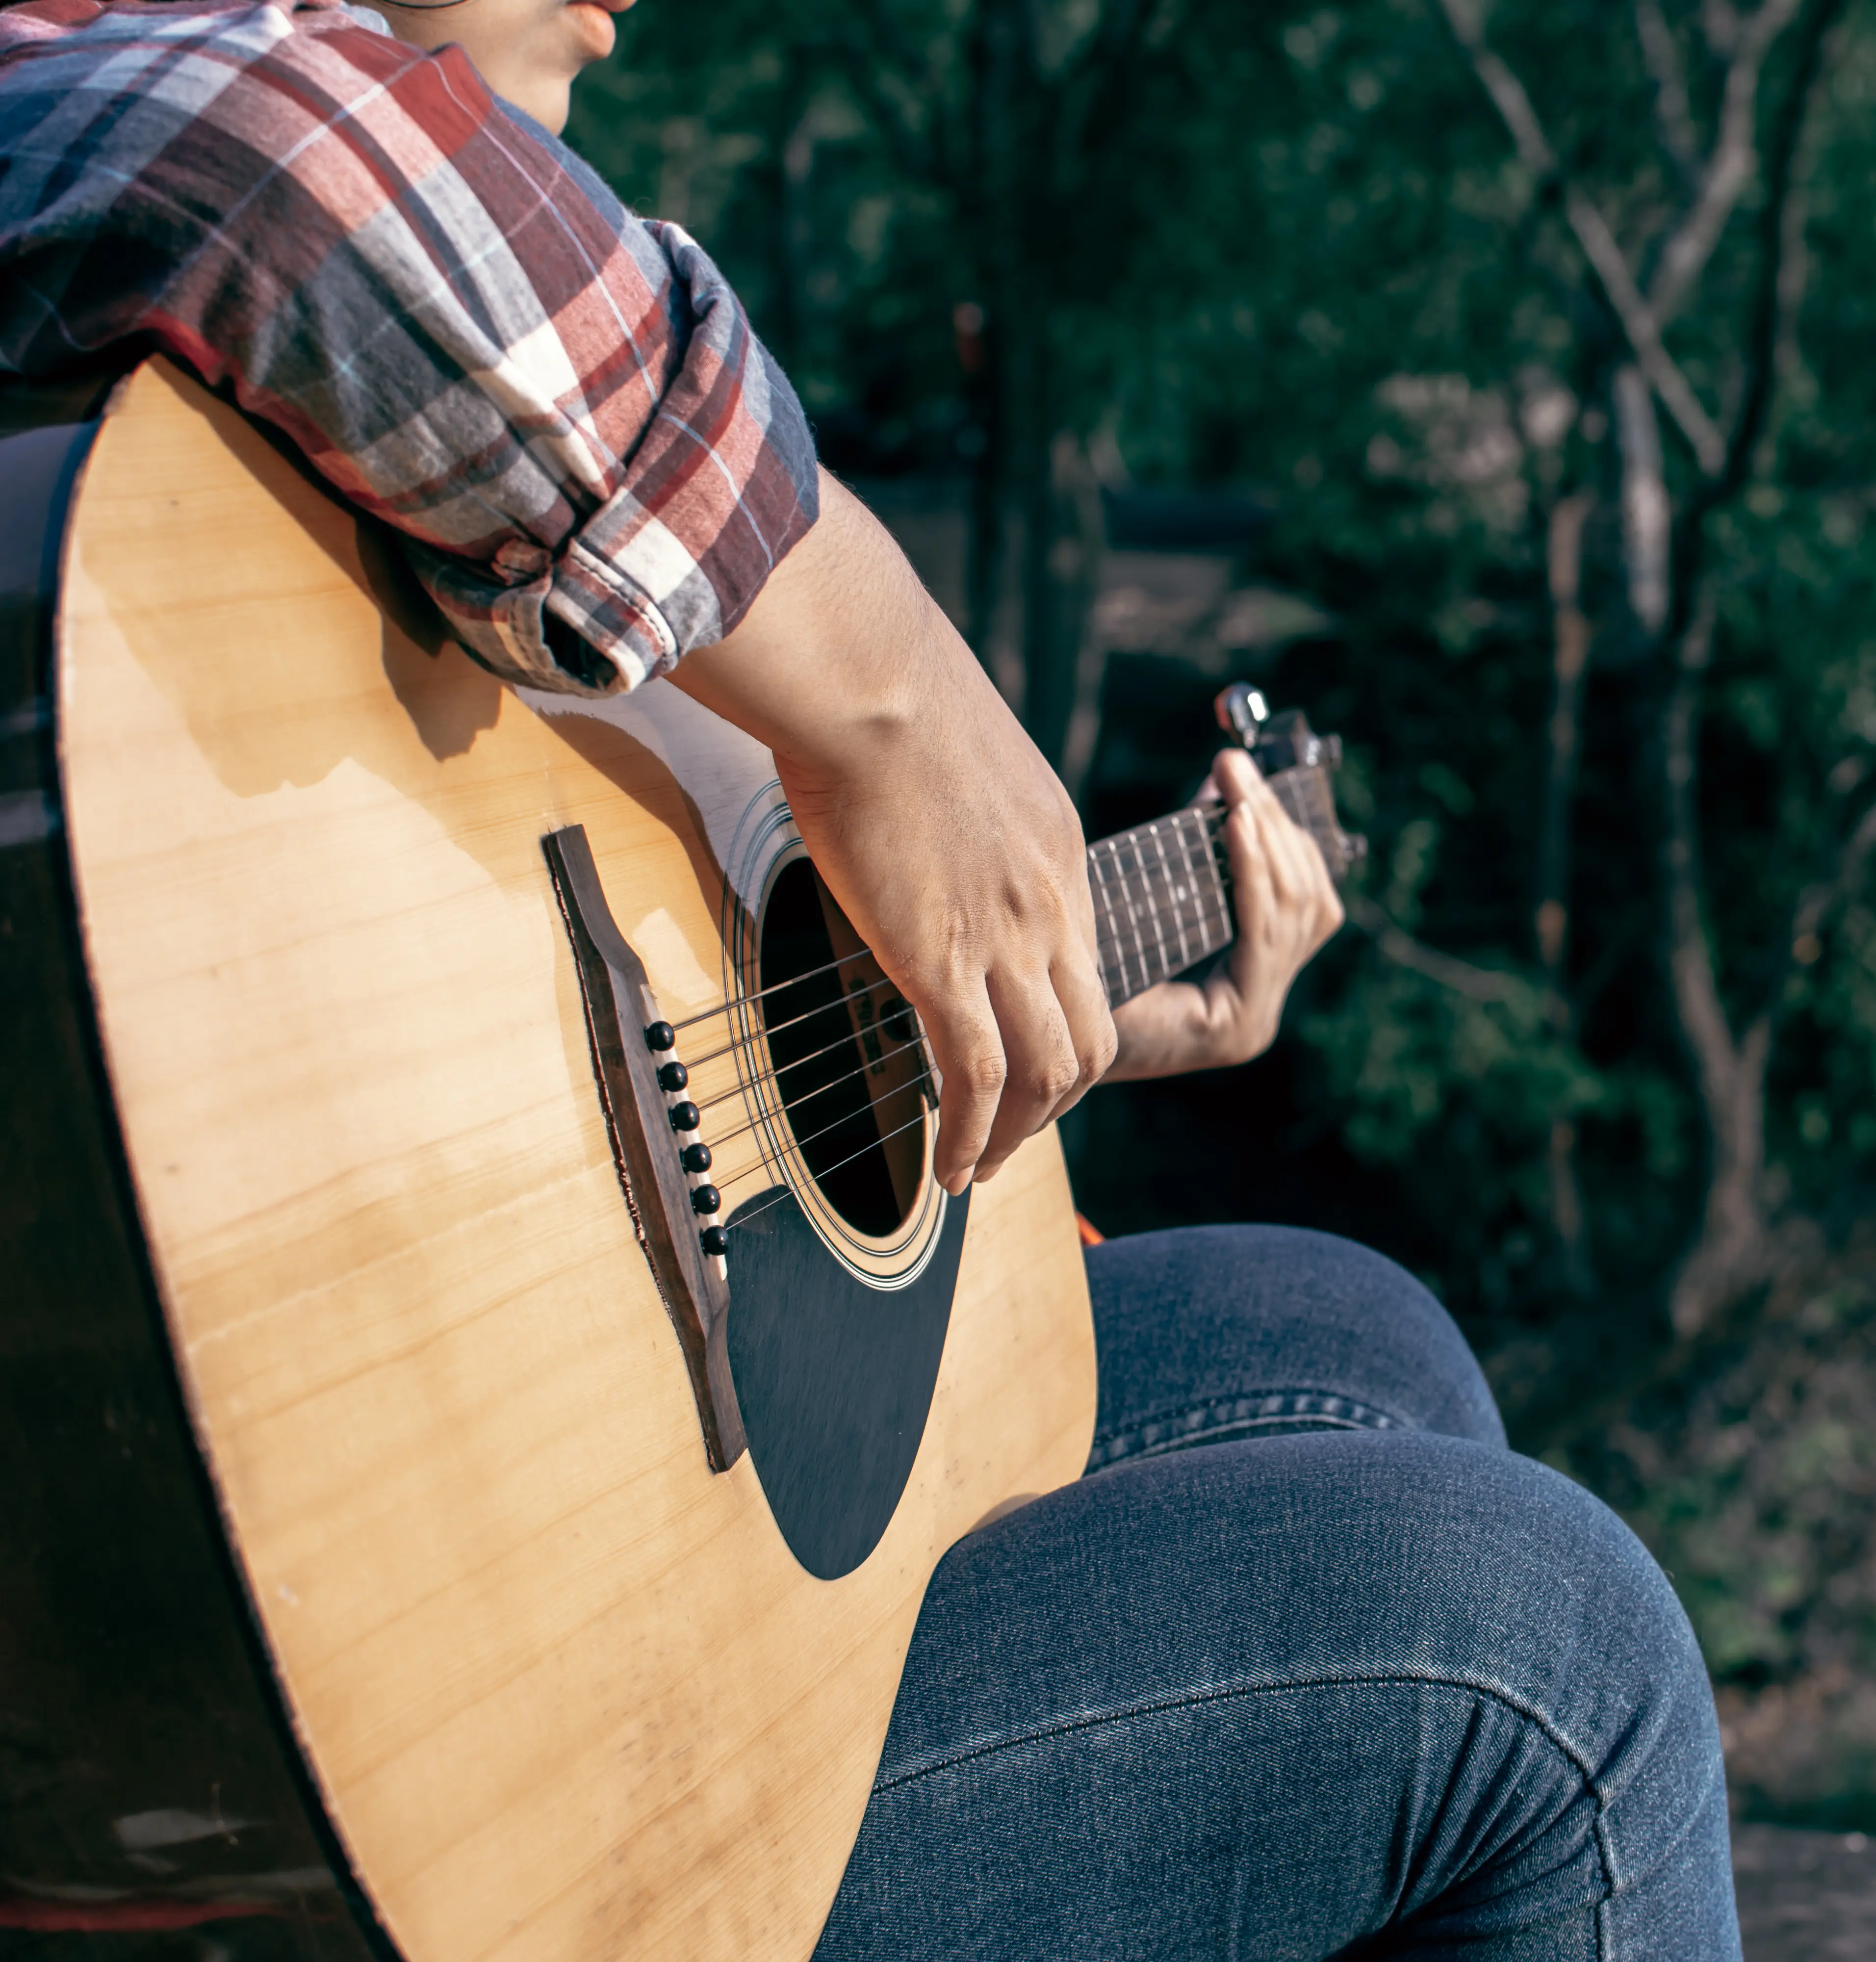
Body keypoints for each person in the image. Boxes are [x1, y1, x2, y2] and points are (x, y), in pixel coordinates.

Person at [0, 2, 1742, 1955]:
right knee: (1549, 1663)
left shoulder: (248, 432)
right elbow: (273, 149)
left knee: (1345, 1345)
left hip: (470, 1562)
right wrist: (893, 689)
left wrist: (997, 1013)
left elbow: (583, 1086)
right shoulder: (82, 99)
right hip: (361, 1802)